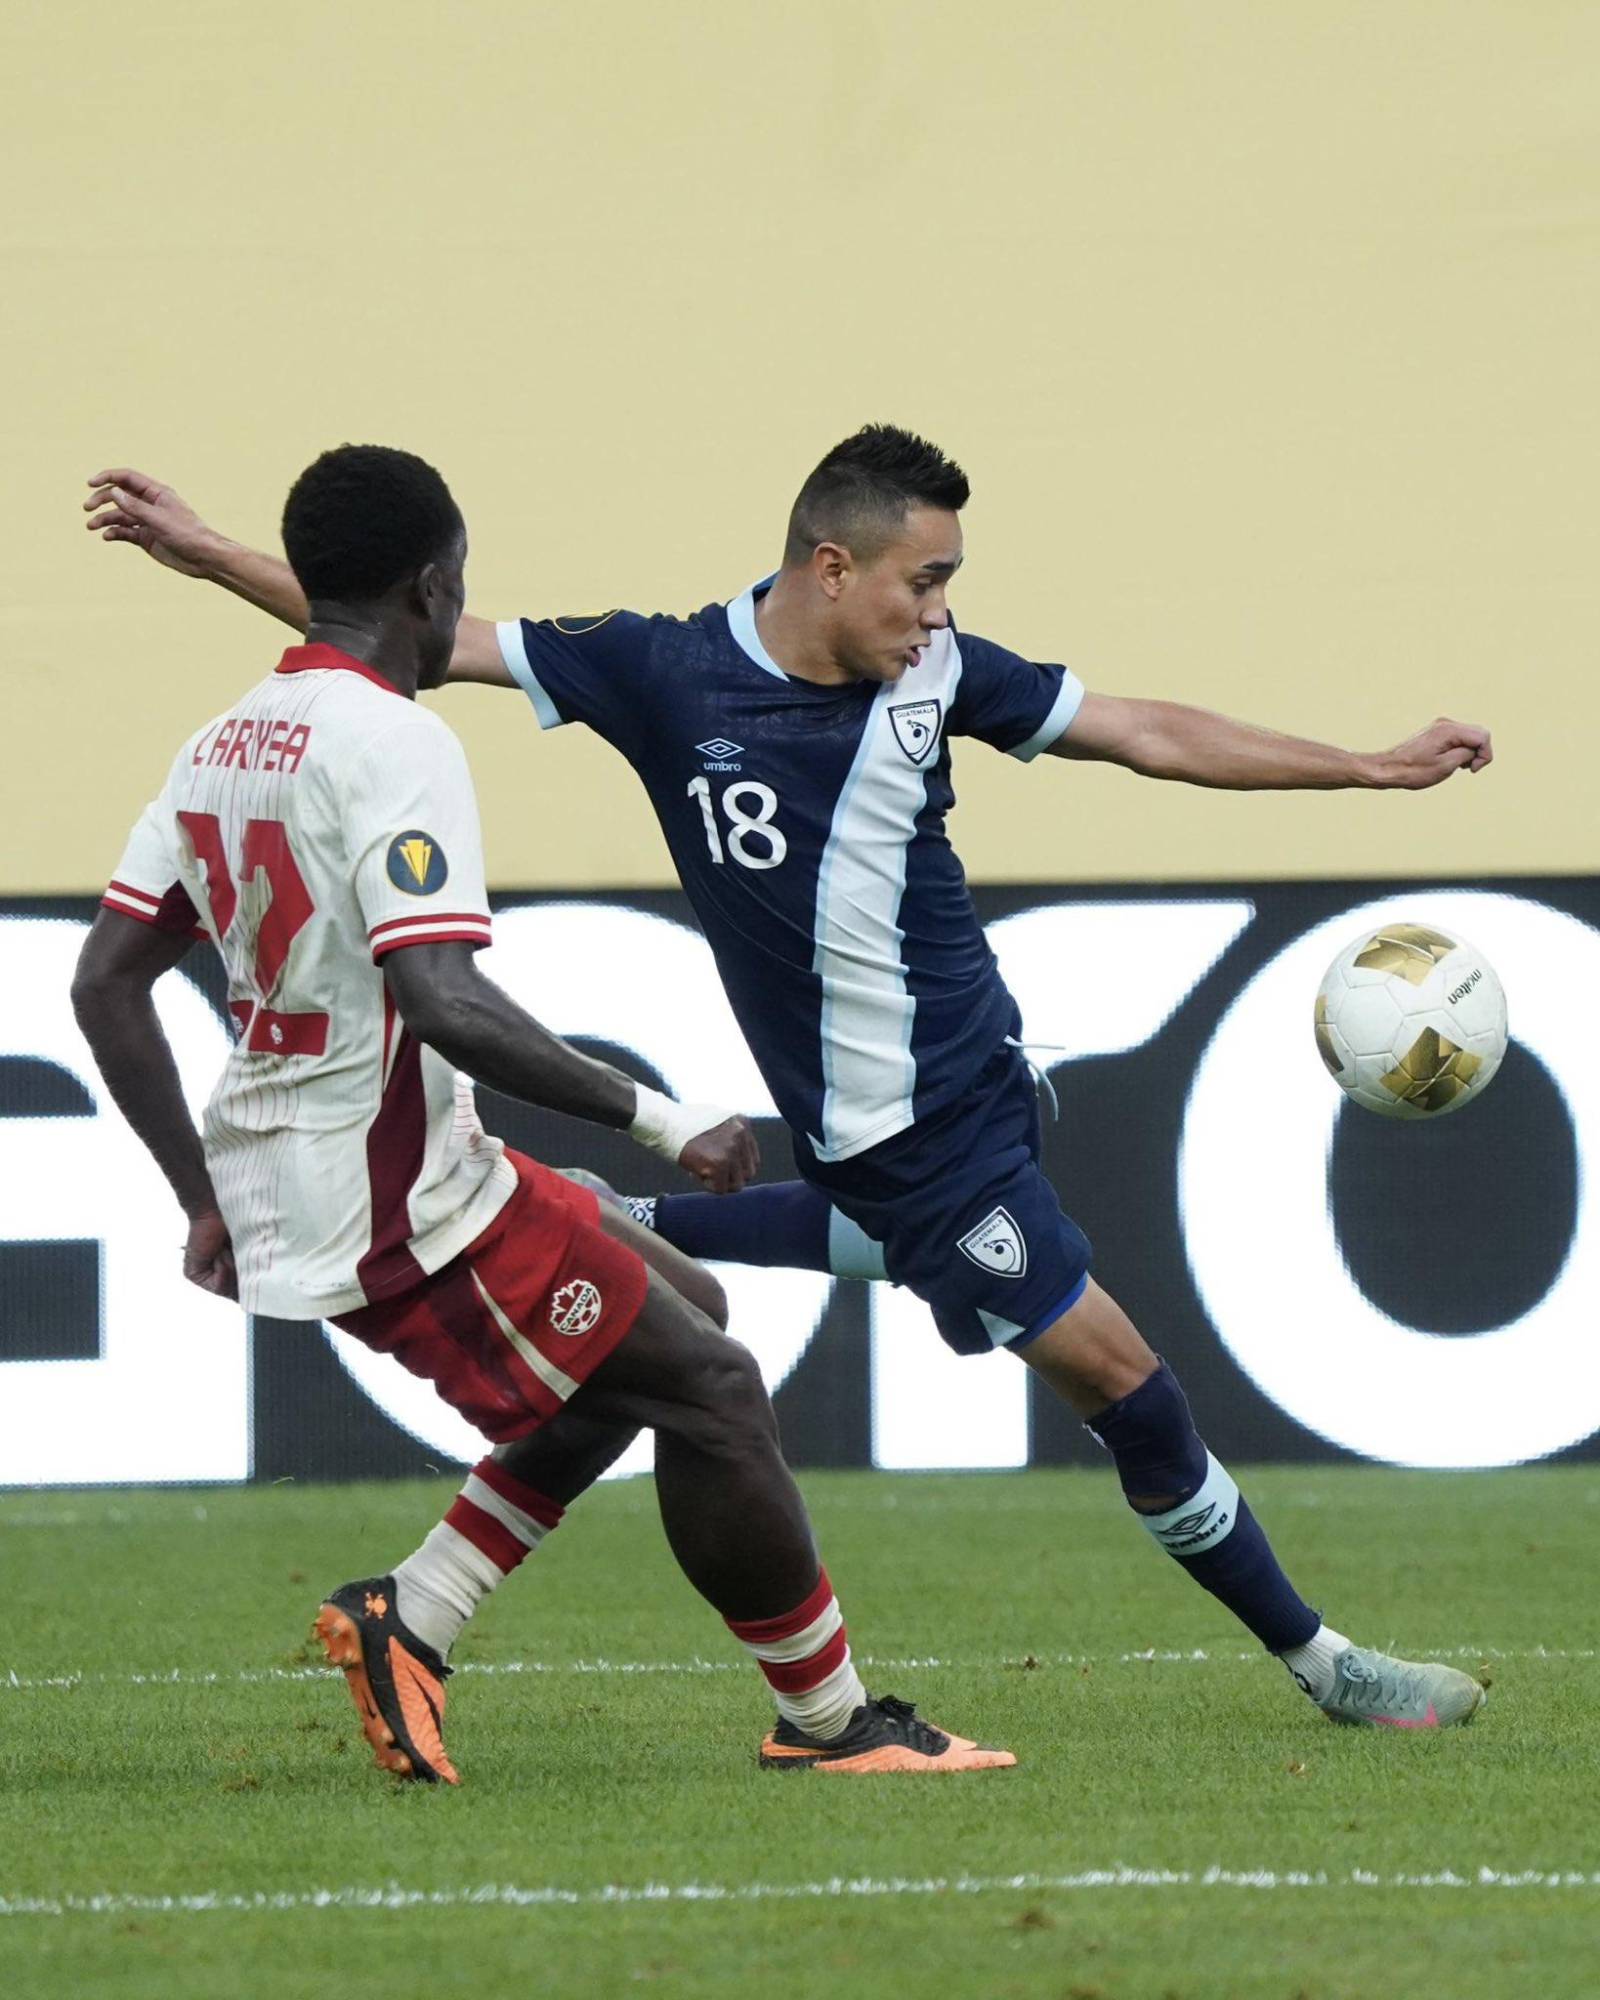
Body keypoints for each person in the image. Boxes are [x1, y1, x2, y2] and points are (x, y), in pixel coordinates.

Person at [84, 426, 1494, 1731]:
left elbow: (1146, 730)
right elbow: (414, 636)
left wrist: (1365, 769)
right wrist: (210, 554)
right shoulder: (661, 668)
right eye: (921, 580)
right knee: (1127, 1386)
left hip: (960, 1104)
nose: (937, 612)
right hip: (923, 1154)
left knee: (694, 1306)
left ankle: (589, 1246)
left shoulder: (940, 677)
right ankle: (1327, 1667)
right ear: (834, 566)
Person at [71, 442, 1013, 1784]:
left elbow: (104, 983)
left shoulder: (219, 744)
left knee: (681, 1311)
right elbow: (444, 999)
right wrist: (658, 1119)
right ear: (433, 581)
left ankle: (416, 1615)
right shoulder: (397, 740)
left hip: (377, 1162)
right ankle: (830, 1722)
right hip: (390, 1195)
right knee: (713, 1393)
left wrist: (200, 1190)